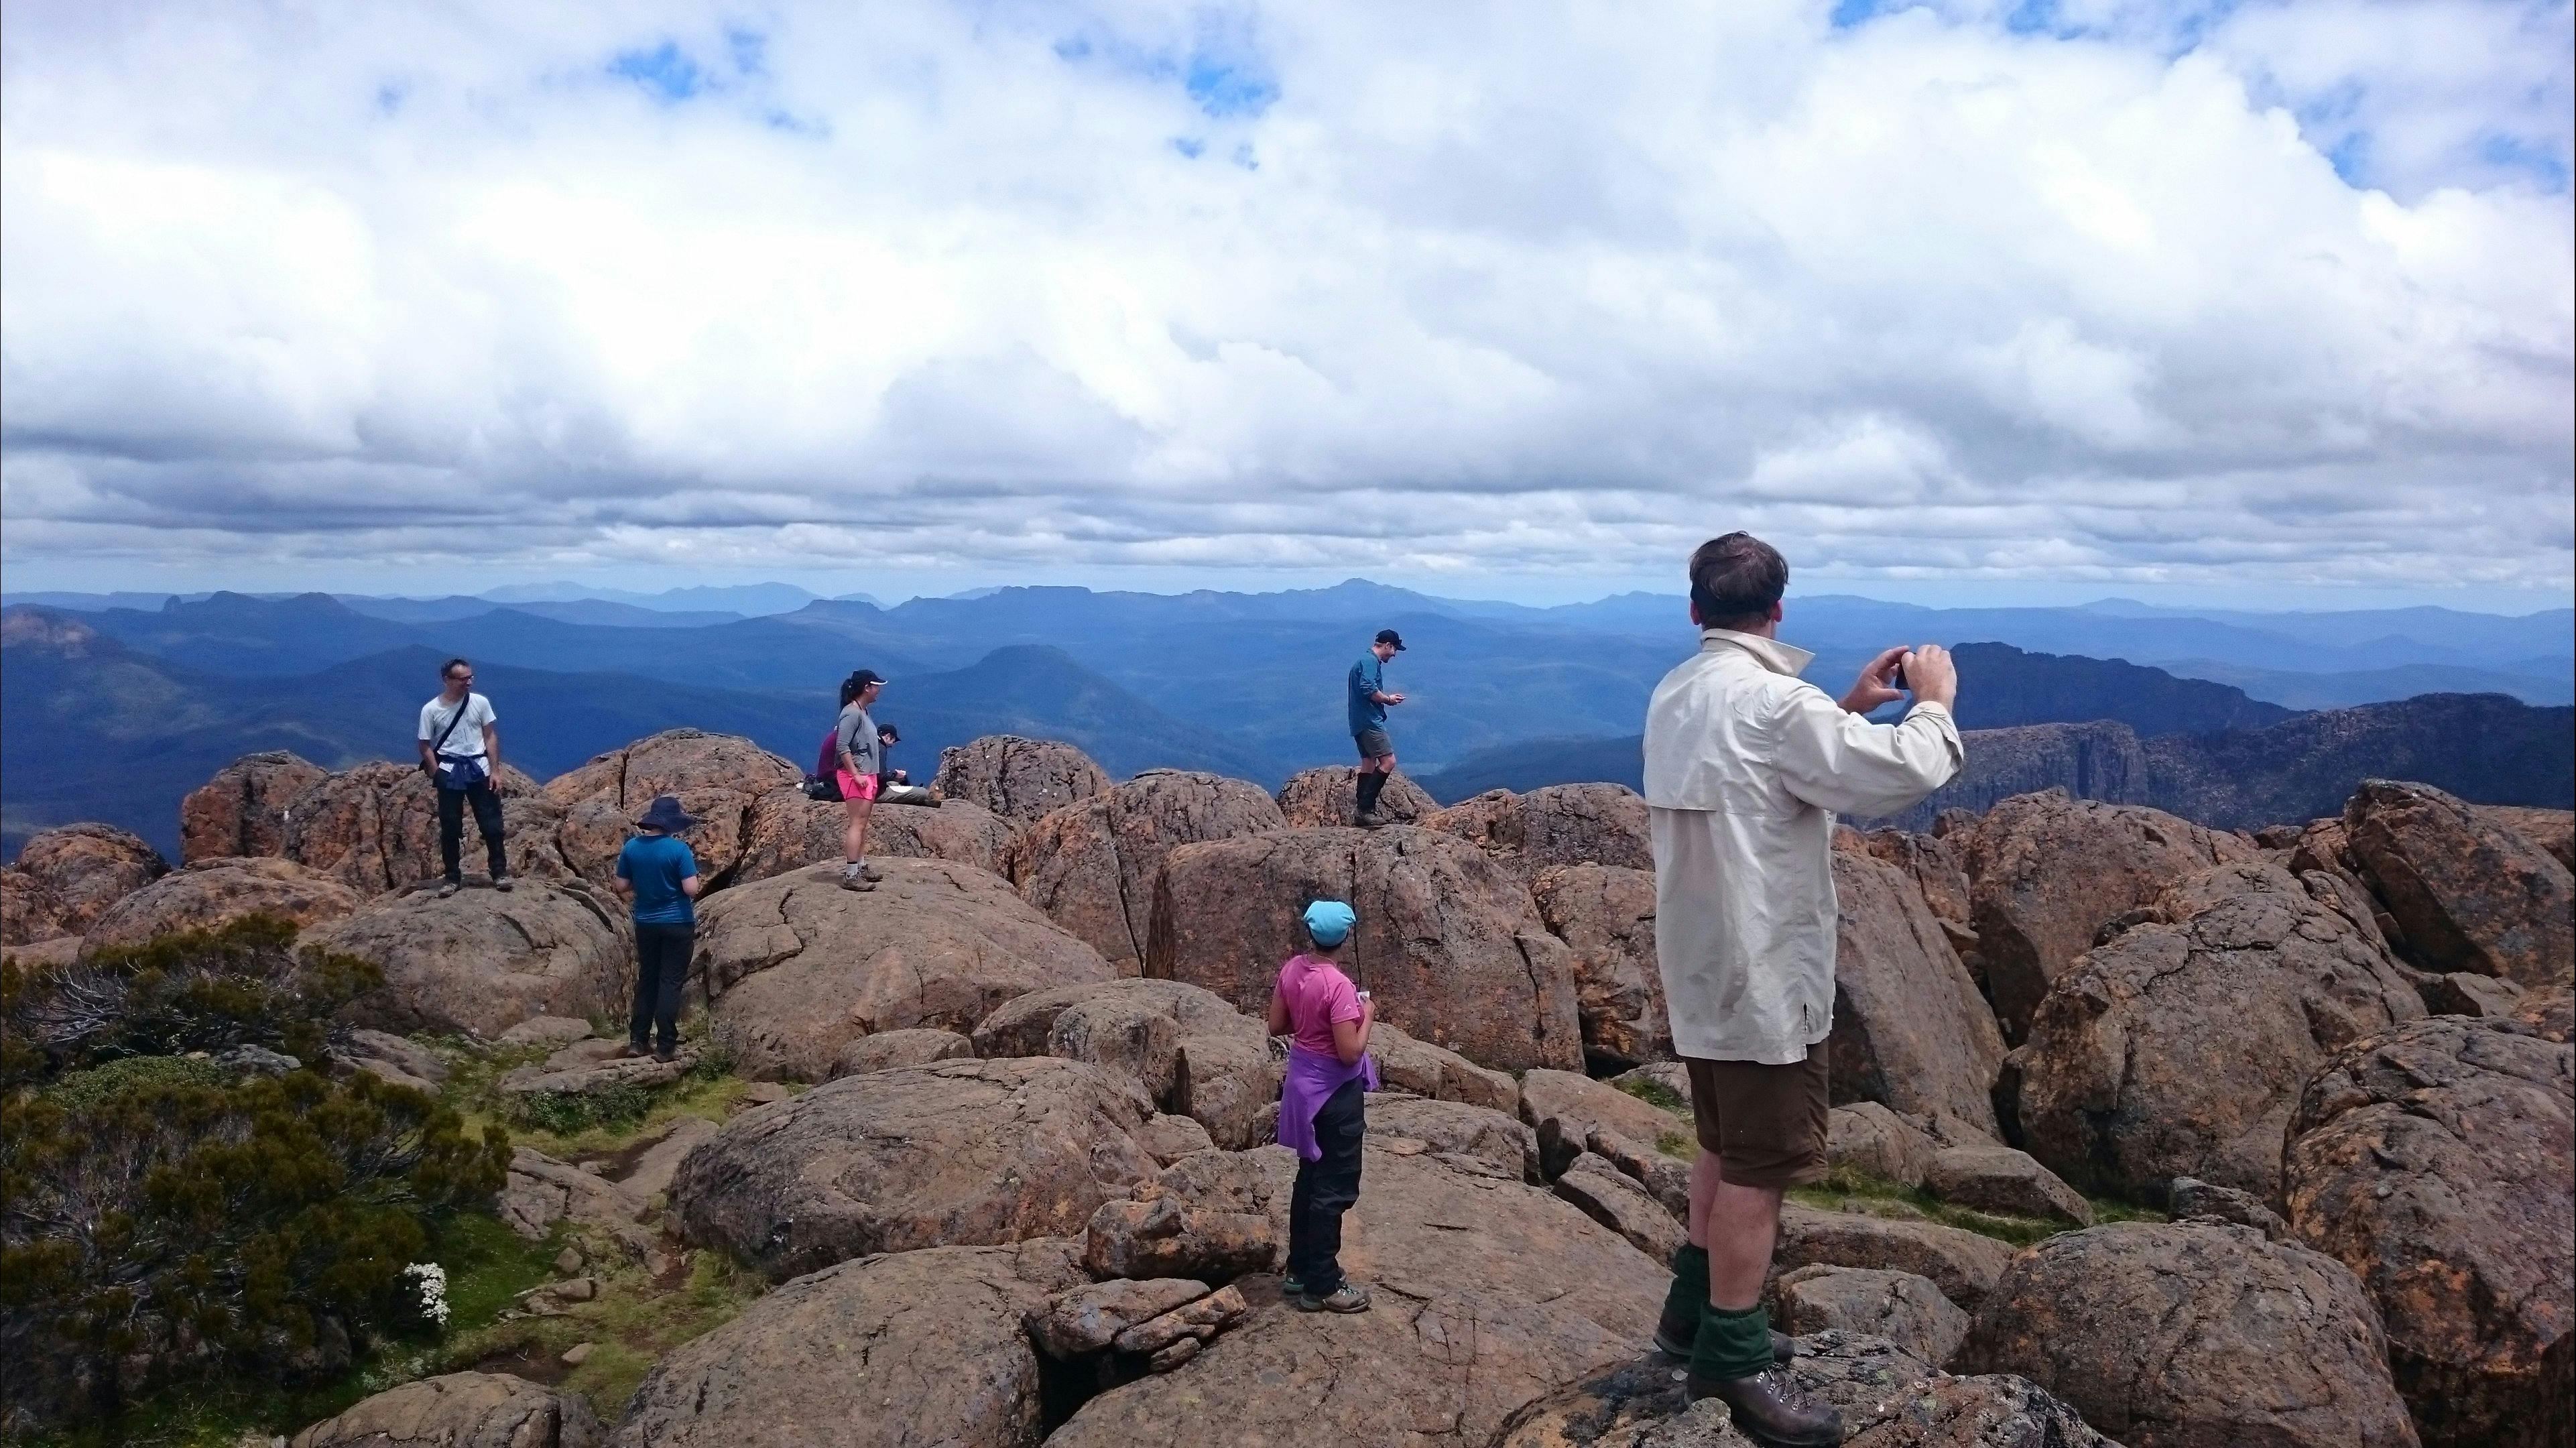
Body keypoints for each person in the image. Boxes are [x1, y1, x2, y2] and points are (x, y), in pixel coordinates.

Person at [1642, 532, 1961, 1446]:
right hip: (1763, 972)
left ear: (1693, 610)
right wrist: (1930, 703)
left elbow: (1756, 763)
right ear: (1775, 610)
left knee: (1721, 1142)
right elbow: (1898, 775)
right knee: (1759, 1162)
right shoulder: (1774, 705)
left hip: (1700, 966)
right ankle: (1732, 1360)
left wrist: (1842, 708)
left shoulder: (1679, 691)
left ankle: (1686, 1322)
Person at [1266, 898, 1377, 1313]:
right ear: (1344, 937)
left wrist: (1308, 1019)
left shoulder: (1292, 970)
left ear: (1311, 934)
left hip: (1301, 1086)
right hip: (1334, 1093)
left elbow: (1277, 1025)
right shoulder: (1339, 986)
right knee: (1335, 1186)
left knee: (1309, 1179)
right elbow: (1350, 1052)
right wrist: (1366, 1014)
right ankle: (1323, 1284)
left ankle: (1299, 1270)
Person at [614, 794, 702, 1062]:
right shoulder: (679, 850)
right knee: (670, 982)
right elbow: (691, 889)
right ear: (672, 823)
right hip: (677, 922)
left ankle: (638, 1040)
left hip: (646, 923)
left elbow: (621, 886)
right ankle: (665, 1046)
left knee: (648, 978)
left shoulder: (632, 848)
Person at [417, 657, 511, 898]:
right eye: (462, 679)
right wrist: (436, 772)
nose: (468, 682)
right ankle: (452, 877)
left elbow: (490, 736)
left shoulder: (480, 703)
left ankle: (499, 872)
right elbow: (425, 744)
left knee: (492, 824)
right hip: (449, 769)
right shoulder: (431, 710)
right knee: (450, 826)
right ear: (447, 680)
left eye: (470, 677)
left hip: (479, 768)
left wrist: (495, 771)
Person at [1347, 629, 1408, 826]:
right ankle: (1366, 810)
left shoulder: (1365, 660)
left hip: (1358, 721)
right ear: (1387, 645)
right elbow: (1368, 689)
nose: (1395, 654)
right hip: (1370, 721)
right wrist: (1388, 700)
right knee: (1389, 761)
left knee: (1368, 763)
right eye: (1395, 649)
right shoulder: (1371, 661)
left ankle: (1361, 813)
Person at [834, 670, 887, 891]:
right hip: (856, 776)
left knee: (862, 824)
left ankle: (861, 867)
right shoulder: (852, 714)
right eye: (876, 686)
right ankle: (851, 874)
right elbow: (841, 746)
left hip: (867, 774)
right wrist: (856, 774)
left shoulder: (862, 711)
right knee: (857, 824)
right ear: (867, 687)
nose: (879, 690)